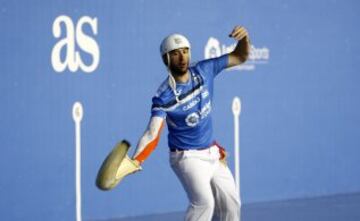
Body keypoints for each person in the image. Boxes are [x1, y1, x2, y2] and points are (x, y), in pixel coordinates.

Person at [131, 25, 250, 221]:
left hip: (212, 152)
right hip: (187, 157)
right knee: (204, 203)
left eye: (185, 51)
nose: (182, 57)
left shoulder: (205, 70)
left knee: (231, 202)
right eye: (175, 53)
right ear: (166, 59)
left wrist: (244, 39)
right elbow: (152, 133)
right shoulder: (164, 96)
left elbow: (240, 56)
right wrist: (136, 159)